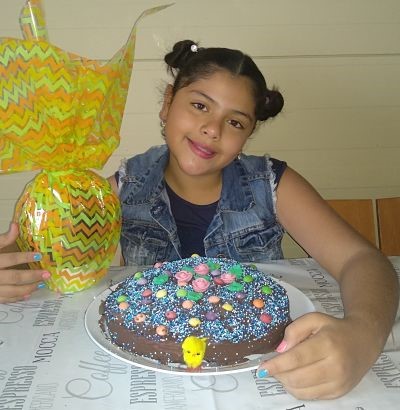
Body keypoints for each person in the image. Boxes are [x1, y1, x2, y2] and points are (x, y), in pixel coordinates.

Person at [0, 39, 398, 400]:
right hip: (145, 383)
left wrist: (363, 335)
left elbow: (363, 260)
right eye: (200, 106)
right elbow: (49, 251)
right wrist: (12, 263)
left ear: (248, 135)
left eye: (235, 122)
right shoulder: (125, 185)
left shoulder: (272, 184)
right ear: (167, 103)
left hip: (262, 382)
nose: (212, 129)